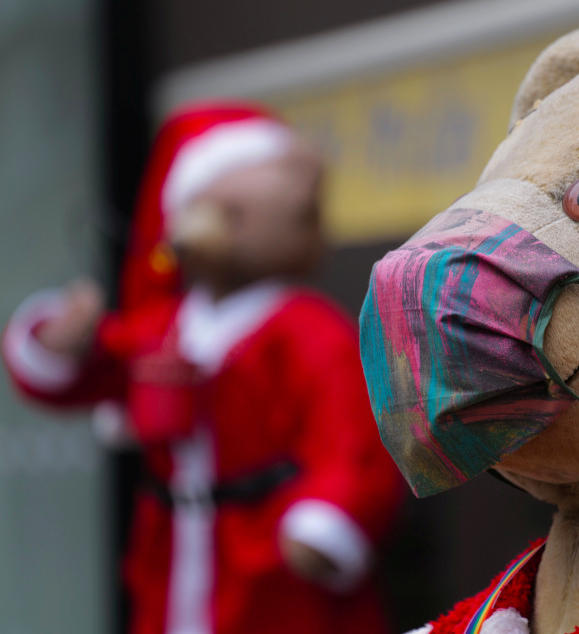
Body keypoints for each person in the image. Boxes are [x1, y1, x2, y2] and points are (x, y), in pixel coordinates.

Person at [2, 101, 404, 634]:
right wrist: (59, 344)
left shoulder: (308, 329)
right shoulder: (165, 326)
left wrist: (327, 517)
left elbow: (352, 440)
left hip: (270, 557)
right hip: (171, 551)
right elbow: (93, 370)